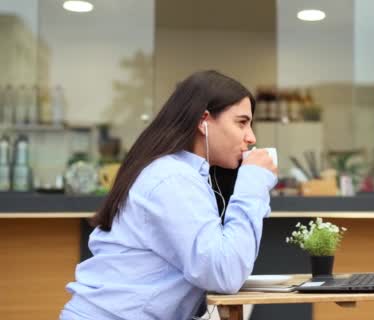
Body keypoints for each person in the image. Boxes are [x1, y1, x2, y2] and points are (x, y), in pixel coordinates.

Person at [59, 70, 278, 319]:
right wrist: (252, 184)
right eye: (241, 122)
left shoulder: (181, 175)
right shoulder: (172, 179)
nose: (251, 137)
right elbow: (224, 273)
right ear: (203, 121)